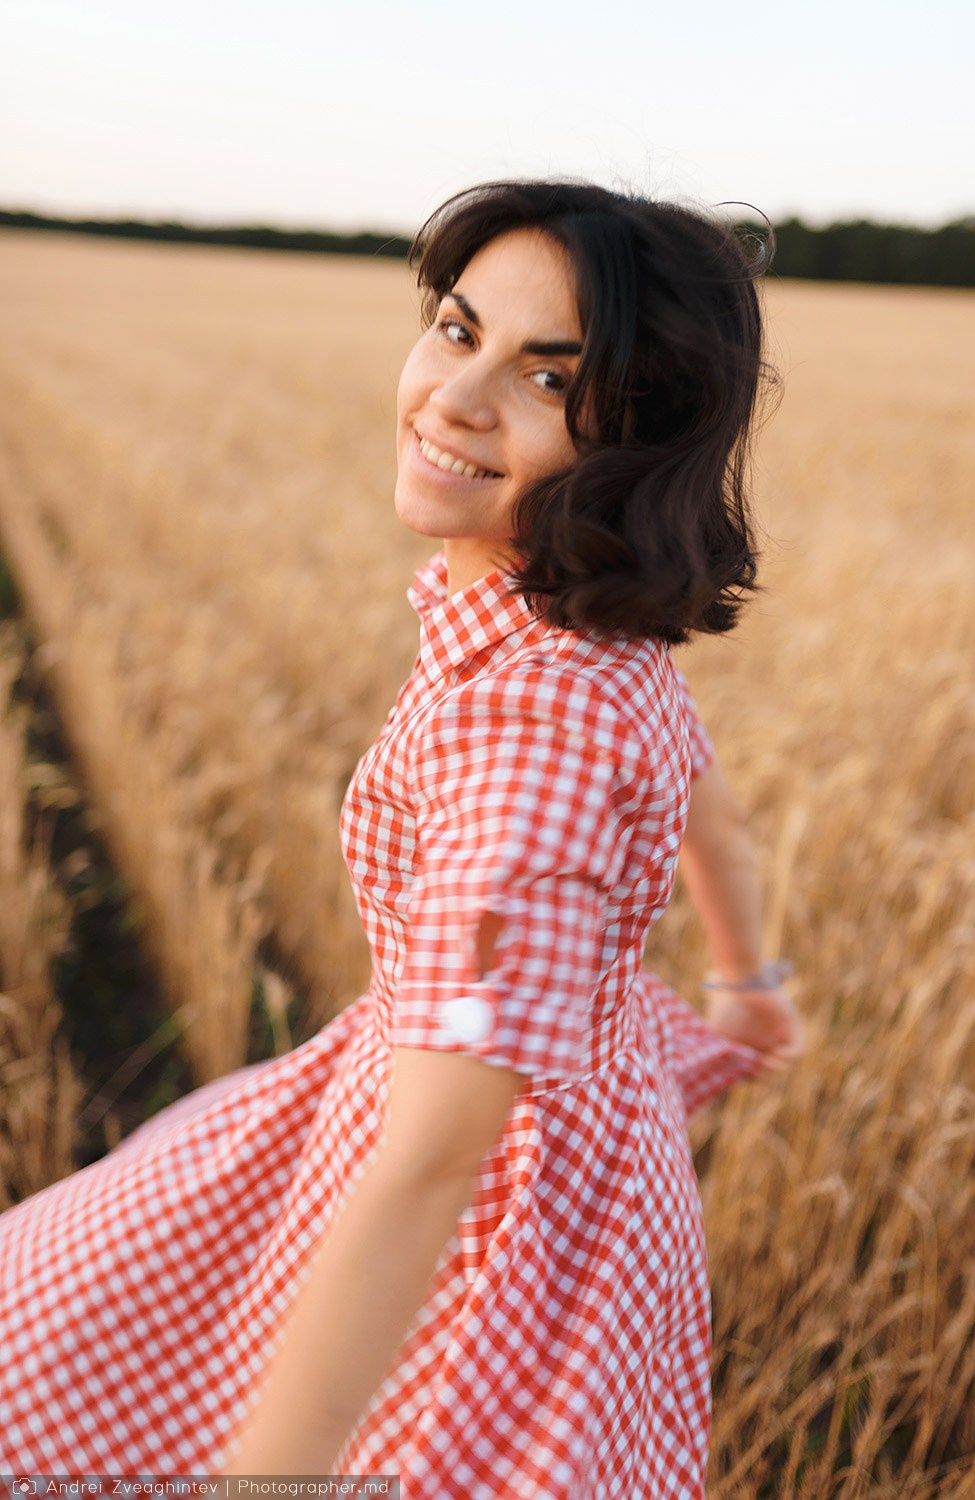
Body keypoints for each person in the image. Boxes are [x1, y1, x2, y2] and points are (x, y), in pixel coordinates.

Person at [0, 179, 802, 1496]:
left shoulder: (527, 733)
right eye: (454, 326)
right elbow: (710, 807)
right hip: (582, 1176)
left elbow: (439, 1154)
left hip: (482, 1225)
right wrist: (748, 981)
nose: (455, 397)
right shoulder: (591, 627)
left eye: (550, 381)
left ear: (637, 437)